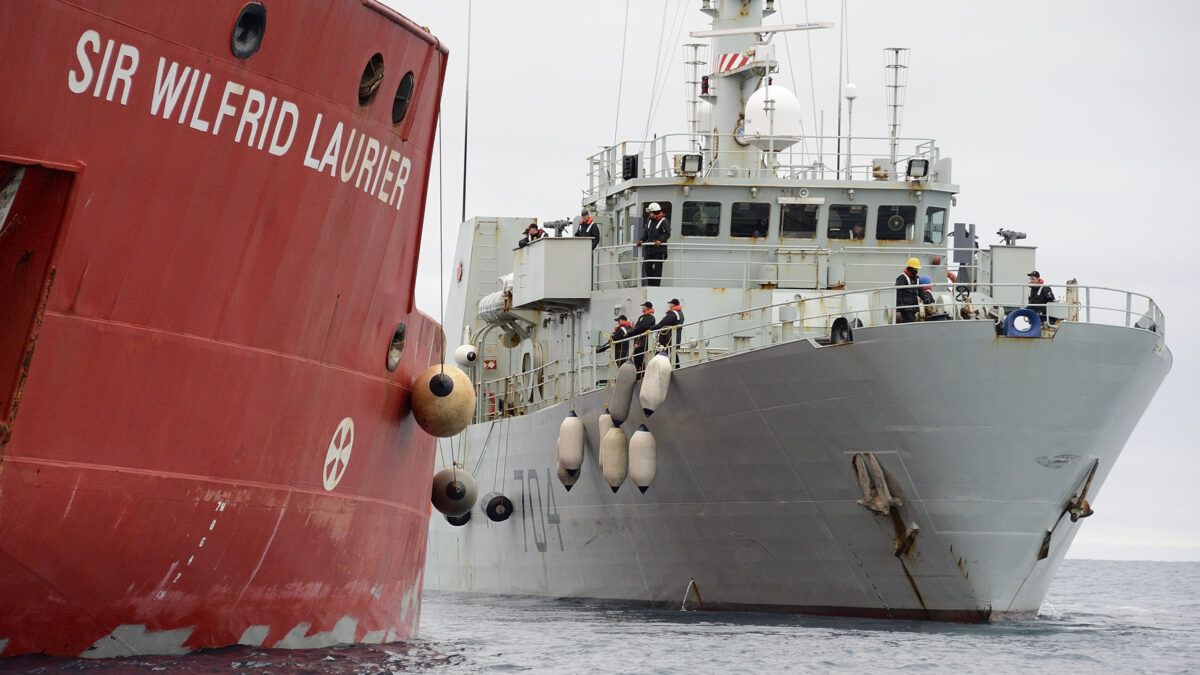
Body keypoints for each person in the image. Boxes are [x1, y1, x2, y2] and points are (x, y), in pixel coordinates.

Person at [637, 203, 670, 286]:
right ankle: (651, 284)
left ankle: (656, 286)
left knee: (658, 268)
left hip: (659, 250)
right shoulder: (649, 221)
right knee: (647, 266)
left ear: (654, 212)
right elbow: (646, 233)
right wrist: (641, 240)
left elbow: (667, 233)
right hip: (650, 249)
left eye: (650, 212)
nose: (649, 214)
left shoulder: (663, 221)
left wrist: (660, 240)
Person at [653, 298, 685, 367]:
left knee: (668, 352)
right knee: (672, 352)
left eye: (671, 304)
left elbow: (662, 323)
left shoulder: (673, 313)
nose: (670, 305)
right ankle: (676, 367)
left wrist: (651, 328)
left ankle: (674, 367)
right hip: (675, 337)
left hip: (670, 338)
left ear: (674, 304)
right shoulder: (680, 313)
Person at [628, 301, 657, 371]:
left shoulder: (650, 317)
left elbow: (642, 327)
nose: (642, 307)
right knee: (637, 356)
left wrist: (632, 332)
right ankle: (639, 370)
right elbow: (637, 327)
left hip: (643, 341)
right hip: (638, 340)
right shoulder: (642, 317)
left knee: (639, 356)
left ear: (647, 307)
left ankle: (640, 371)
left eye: (643, 306)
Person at [895, 257, 921, 323]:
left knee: (912, 321)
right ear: (910, 268)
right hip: (905, 306)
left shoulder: (916, 278)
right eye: (915, 268)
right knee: (910, 321)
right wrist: (900, 306)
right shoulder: (902, 278)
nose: (916, 269)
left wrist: (927, 299)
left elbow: (920, 290)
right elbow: (898, 292)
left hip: (913, 306)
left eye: (917, 268)